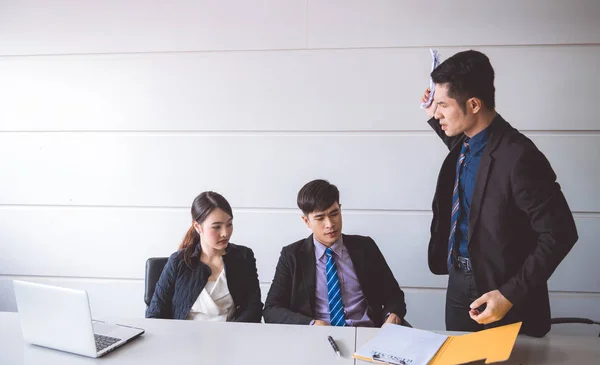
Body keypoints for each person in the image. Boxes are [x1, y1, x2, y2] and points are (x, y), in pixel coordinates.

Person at [421, 50, 578, 337]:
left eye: (443, 105)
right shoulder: (465, 143)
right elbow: (461, 146)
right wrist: (435, 111)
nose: (437, 111)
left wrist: (509, 294)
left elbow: (561, 233)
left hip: (502, 292)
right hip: (458, 283)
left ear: (474, 104)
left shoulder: (520, 157)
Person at [263, 179, 406, 327]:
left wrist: (392, 315)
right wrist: (311, 323)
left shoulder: (365, 248)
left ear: (340, 209)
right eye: (320, 218)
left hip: (366, 331)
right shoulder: (292, 256)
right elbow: (271, 309)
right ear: (306, 221)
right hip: (318, 336)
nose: (330, 224)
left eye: (334, 214)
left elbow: (394, 296)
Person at [146, 191, 263, 322]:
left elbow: (253, 308)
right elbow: (155, 314)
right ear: (197, 226)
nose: (225, 233)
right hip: (183, 339)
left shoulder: (243, 257)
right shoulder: (178, 261)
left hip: (231, 337)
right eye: (217, 227)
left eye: (229, 224)